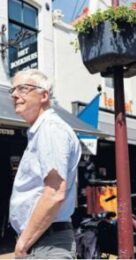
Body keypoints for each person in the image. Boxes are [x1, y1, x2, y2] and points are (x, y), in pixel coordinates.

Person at [8, 69, 81, 258]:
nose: (15, 95)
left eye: (22, 88)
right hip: (42, 240)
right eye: (13, 90)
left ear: (44, 95)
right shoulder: (42, 131)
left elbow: (55, 193)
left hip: (48, 243)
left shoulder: (50, 129)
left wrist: (23, 243)